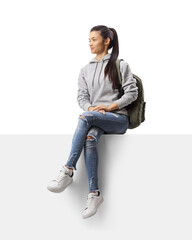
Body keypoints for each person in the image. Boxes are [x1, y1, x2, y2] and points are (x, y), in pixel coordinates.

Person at [47, 25, 138, 219]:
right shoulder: (85, 70)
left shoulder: (120, 65)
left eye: (94, 39)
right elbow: (82, 97)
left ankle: (68, 169)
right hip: (95, 119)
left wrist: (108, 107)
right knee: (89, 138)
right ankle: (94, 194)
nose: (90, 43)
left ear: (107, 41)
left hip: (118, 119)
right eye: (89, 39)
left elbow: (132, 93)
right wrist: (91, 108)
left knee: (85, 117)